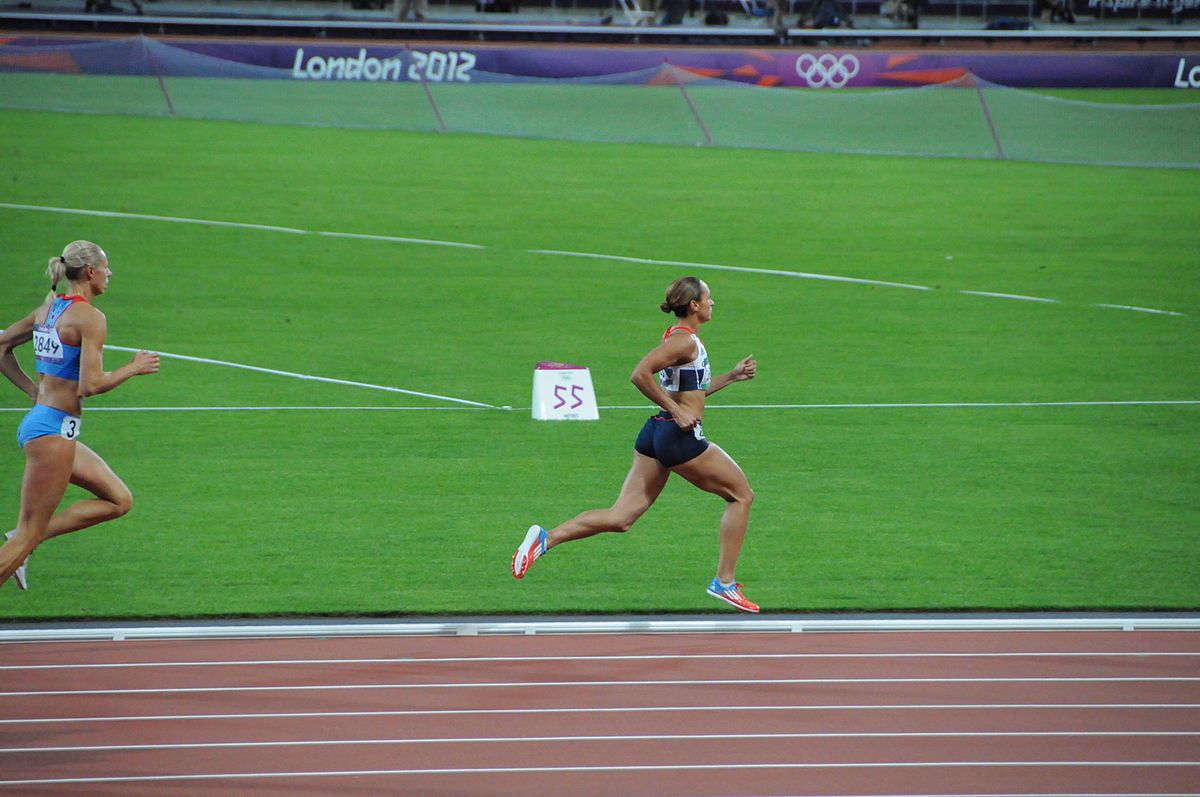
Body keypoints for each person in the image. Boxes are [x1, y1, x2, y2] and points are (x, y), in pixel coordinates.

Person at [512, 277, 760, 612]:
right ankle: (724, 582)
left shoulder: (680, 339)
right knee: (741, 495)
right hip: (677, 435)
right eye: (709, 298)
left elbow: (688, 392)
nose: (713, 303)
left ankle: (546, 539)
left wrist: (731, 377)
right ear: (694, 306)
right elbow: (639, 374)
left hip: (656, 432)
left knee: (621, 518)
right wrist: (678, 412)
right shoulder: (684, 342)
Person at [0, 241, 159, 590]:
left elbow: (2, 344)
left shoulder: (48, 310)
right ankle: (24, 540)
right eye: (106, 268)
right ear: (90, 272)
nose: (109, 274)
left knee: (118, 500)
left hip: (51, 425)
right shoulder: (89, 317)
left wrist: (32, 391)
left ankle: (25, 538)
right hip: (51, 432)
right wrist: (133, 368)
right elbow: (90, 385)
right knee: (27, 536)